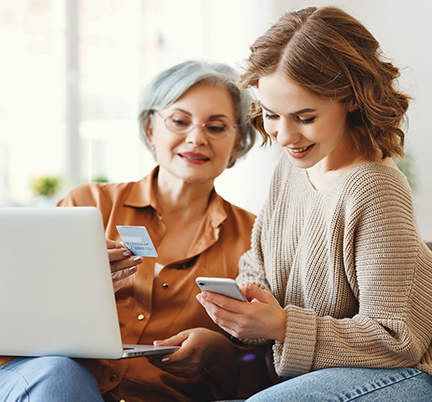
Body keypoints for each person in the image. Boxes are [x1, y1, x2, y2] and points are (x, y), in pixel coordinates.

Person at [197, 6, 432, 401]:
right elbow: (259, 263)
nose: (285, 135)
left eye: (304, 117)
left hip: (406, 376)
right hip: (322, 376)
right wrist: (248, 303)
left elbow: (398, 339)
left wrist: (283, 327)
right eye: (271, 114)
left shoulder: (376, 188)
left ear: (352, 100)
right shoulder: (293, 168)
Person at [0, 61, 271, 401]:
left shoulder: (255, 237)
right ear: (150, 127)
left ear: (237, 141)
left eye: (216, 127)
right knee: (61, 374)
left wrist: (220, 353)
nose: (196, 137)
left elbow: (263, 362)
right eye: (179, 121)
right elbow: (13, 305)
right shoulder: (88, 205)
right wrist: (74, 283)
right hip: (49, 382)